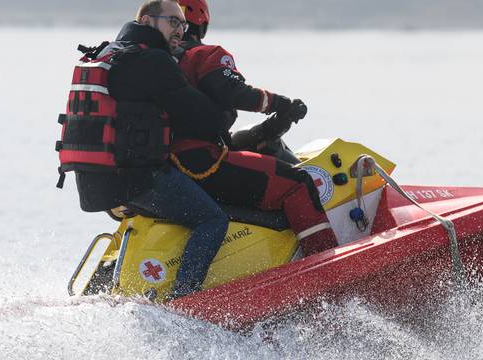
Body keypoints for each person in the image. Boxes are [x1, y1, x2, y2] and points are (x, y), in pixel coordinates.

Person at [56, 0, 229, 297]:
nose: (180, 30)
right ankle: (185, 297)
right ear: (147, 21)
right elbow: (205, 117)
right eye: (173, 22)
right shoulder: (153, 61)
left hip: (93, 181)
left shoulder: (108, 53)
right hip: (135, 179)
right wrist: (229, 106)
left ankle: (102, 290)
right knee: (212, 218)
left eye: (183, 24)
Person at [167, 0, 339, 256]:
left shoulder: (156, 61)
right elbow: (235, 93)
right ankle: (326, 263)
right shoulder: (205, 55)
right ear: (202, 21)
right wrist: (281, 103)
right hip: (202, 163)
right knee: (298, 183)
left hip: (168, 169)